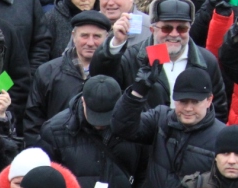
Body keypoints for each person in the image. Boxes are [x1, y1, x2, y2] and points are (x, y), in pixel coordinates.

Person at [38, 75, 149, 188]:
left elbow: (144, 172)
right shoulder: (56, 130)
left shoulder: (137, 127)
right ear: (83, 101)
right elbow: (46, 181)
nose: (99, 125)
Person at [90, 0, 229, 121]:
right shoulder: (134, 57)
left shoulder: (207, 61)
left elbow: (218, 110)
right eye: (166, 28)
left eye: (181, 28)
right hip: (145, 139)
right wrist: (115, 43)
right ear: (152, 29)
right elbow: (100, 79)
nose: (174, 34)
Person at [112, 66, 225, 188]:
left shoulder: (222, 137)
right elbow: (122, 127)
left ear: (209, 100)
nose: (188, 108)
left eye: (195, 102)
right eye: (183, 101)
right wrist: (138, 91)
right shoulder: (161, 118)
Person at [28, 15, 112, 147]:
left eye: (97, 36)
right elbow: (33, 120)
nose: (90, 42)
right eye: (84, 36)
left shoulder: (115, 72)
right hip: (56, 151)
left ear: (107, 37)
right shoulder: (47, 72)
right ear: (73, 36)